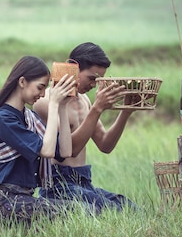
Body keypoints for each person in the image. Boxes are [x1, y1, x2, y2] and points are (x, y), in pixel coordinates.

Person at [33, 42, 138, 212]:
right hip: (59, 185)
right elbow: (70, 149)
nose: (94, 85)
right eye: (92, 78)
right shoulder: (46, 102)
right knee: (111, 210)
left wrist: (126, 111)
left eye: (99, 80)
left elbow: (105, 144)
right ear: (73, 67)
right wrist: (97, 108)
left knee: (128, 207)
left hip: (83, 181)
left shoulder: (84, 101)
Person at [0, 55, 77, 229]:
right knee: (68, 211)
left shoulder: (30, 118)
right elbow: (46, 151)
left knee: (73, 209)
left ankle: (5, 231)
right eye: (40, 87)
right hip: (1, 201)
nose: (42, 95)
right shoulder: (4, 118)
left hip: (23, 198)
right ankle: (4, 228)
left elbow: (64, 151)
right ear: (22, 82)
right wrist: (53, 104)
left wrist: (62, 107)